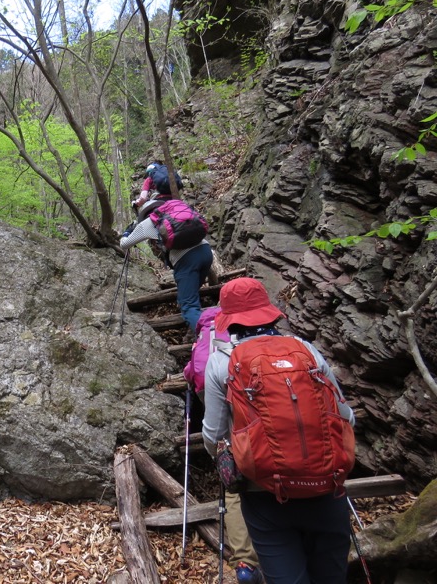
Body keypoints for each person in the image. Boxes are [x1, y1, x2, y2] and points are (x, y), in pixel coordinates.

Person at [202, 278, 356, 584]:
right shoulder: (305, 350)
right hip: (327, 486)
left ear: (229, 321)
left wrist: (233, 462)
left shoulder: (221, 362)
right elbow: (345, 416)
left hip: (265, 494)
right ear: (270, 314)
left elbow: (214, 435)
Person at [183, 307, 264, 583]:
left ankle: (246, 561)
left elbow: (192, 369)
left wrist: (220, 455)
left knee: (235, 483)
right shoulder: (293, 345)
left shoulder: (205, 337)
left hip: (214, 388)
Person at [119, 207, 213, 331]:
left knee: (189, 306)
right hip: (206, 251)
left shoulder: (147, 224)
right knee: (190, 293)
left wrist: (126, 233)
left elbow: (124, 244)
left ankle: (208, 339)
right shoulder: (172, 212)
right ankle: (194, 329)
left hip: (187, 260)